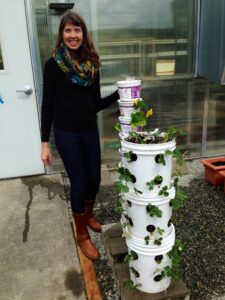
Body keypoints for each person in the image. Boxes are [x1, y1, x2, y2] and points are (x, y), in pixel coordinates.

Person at [41, 11, 119, 260]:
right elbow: (47, 105)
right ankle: (82, 234)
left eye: (77, 30)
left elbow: (94, 103)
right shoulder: (53, 64)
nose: (73, 35)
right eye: (68, 30)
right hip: (66, 132)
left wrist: (120, 95)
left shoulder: (91, 65)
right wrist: (44, 143)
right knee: (79, 182)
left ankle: (87, 215)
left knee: (95, 179)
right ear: (62, 34)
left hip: (88, 129)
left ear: (83, 34)